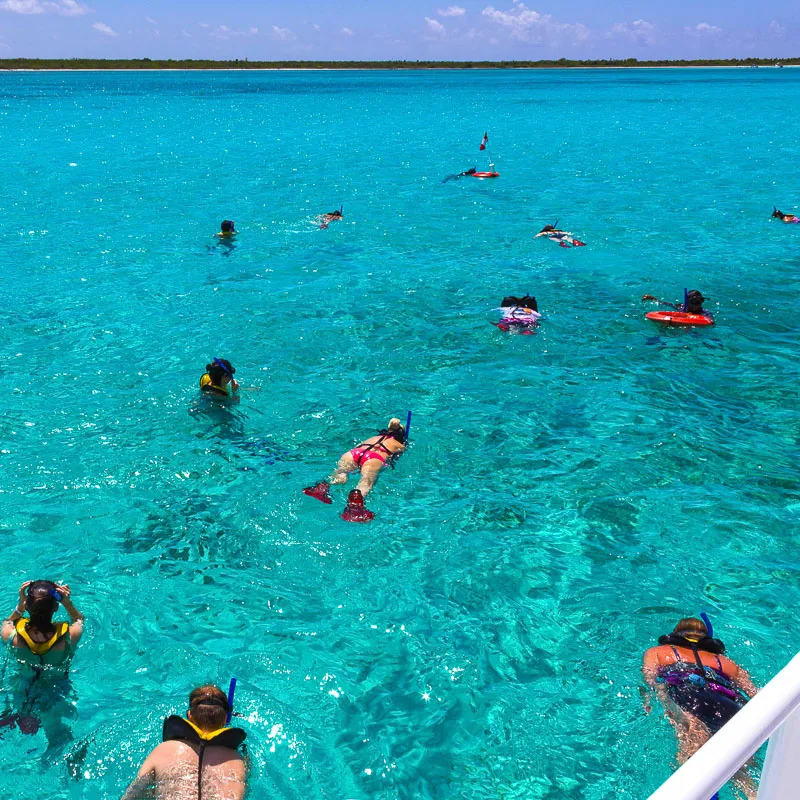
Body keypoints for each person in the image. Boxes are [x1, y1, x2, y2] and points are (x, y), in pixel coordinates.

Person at [642, 617, 758, 799]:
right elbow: (756, 694)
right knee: (740, 770)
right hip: (731, 707)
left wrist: (650, 701)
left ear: (675, 633)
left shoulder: (658, 652)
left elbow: (650, 680)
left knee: (692, 755)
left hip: (690, 698)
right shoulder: (726, 663)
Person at [122, 684, 246, 800]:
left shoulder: (163, 750)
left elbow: (133, 794)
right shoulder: (238, 760)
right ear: (225, 719)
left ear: (189, 715)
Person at [0, 580, 84, 735]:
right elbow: (79, 620)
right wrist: (68, 603)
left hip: (21, 687)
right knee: (56, 733)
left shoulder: (11, 636)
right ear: (56, 607)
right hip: (55, 691)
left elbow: (7, 621)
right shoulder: (69, 637)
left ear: (27, 606)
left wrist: (20, 606)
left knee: (17, 710)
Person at [303, 417, 407, 521]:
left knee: (341, 474)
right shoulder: (399, 444)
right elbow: (394, 459)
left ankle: (322, 487)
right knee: (366, 481)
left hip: (353, 453)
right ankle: (355, 506)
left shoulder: (373, 437)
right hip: (373, 458)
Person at [642, 289, 707, 315]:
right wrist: (653, 299)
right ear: (686, 302)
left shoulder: (704, 312)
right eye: (693, 302)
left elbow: (711, 322)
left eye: (699, 302)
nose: (696, 305)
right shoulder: (681, 307)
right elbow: (667, 304)